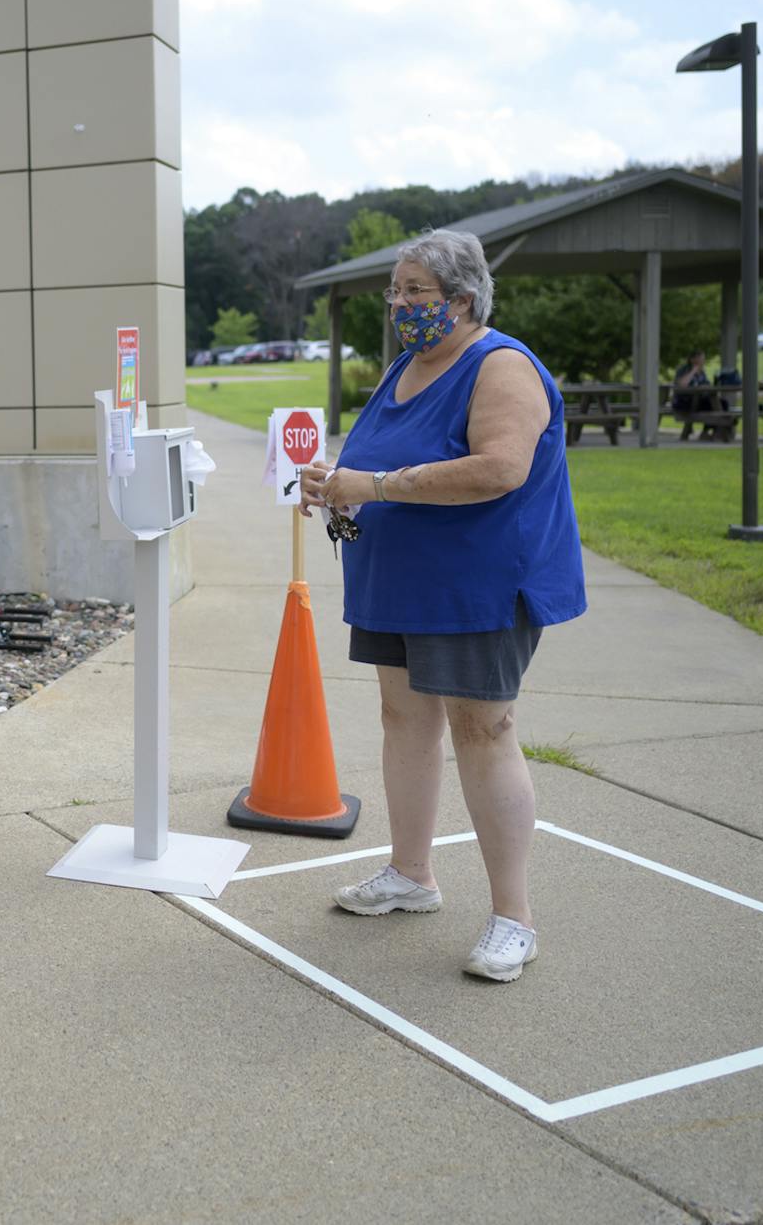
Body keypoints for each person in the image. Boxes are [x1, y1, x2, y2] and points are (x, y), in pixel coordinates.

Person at [300, 229, 586, 983]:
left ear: (461, 298)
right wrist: (334, 481)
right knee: (404, 719)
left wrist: (379, 486)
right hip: (399, 585)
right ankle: (411, 874)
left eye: (414, 292)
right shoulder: (408, 366)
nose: (398, 305)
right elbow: (373, 459)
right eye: (395, 291)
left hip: (478, 587)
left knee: (483, 729)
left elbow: (500, 468)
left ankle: (513, 918)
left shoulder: (501, 365)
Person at [673, 351, 716, 440]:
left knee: (722, 404)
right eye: (700, 359)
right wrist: (693, 370)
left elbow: (707, 385)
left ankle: (708, 431)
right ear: (692, 360)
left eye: (703, 359)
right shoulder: (684, 370)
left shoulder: (702, 372)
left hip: (698, 400)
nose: (703, 361)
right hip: (684, 402)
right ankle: (706, 432)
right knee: (713, 406)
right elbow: (682, 384)